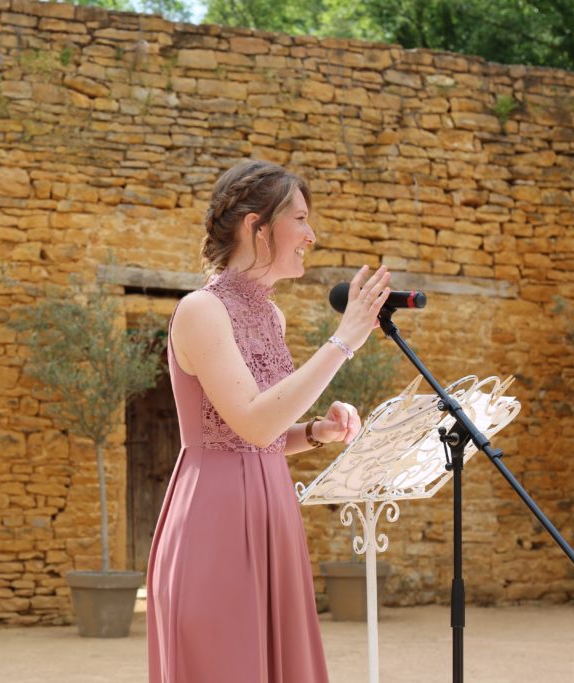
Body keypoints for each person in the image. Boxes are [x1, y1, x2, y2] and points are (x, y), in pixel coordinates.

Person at [146, 160, 392, 683]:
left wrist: (315, 433)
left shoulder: (270, 316)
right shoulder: (200, 310)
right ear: (256, 227)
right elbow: (252, 426)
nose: (312, 235)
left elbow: (265, 435)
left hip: (273, 511)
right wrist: (344, 339)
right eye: (299, 219)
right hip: (214, 520)